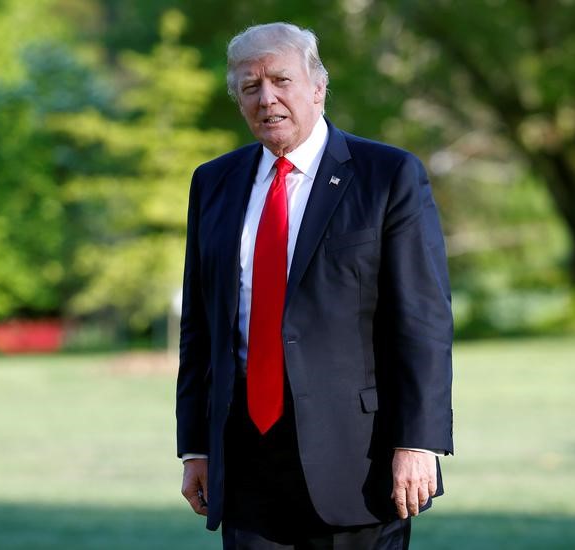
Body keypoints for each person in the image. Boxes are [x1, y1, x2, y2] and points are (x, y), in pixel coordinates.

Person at [176, 22, 453, 549]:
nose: (267, 98)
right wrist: (195, 447)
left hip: (359, 462)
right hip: (245, 461)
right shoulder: (212, 182)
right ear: (237, 99)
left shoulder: (388, 175)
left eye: (282, 80)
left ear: (318, 86)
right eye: (250, 87)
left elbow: (423, 321)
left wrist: (418, 443)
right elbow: (199, 329)